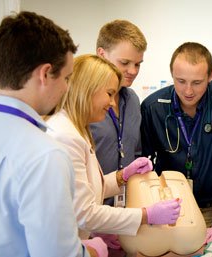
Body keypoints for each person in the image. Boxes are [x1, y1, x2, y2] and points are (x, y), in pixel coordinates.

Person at [0, 11, 106, 257]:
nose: (67, 87)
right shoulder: (45, 154)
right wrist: (93, 252)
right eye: (66, 77)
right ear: (45, 74)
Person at [46, 54, 182, 244]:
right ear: (88, 90)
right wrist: (146, 215)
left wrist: (123, 176)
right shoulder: (66, 137)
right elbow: (85, 213)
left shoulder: (78, 131)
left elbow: (89, 189)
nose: (111, 103)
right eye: (109, 93)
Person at [141, 42, 212, 243]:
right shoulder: (153, 108)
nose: (188, 91)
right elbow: (145, 170)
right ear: (171, 74)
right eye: (180, 81)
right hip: (167, 211)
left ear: (210, 75)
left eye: (197, 82)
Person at [90, 20, 146, 207]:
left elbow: (135, 152)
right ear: (101, 54)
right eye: (125, 63)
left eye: (138, 64)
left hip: (125, 210)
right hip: (89, 210)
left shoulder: (132, 101)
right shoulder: (81, 102)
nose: (132, 71)